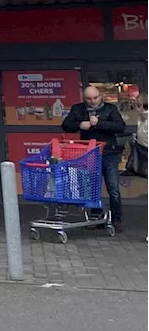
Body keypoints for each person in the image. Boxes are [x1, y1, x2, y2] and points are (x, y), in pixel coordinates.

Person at [61, 84, 128, 233]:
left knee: (113, 188)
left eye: (95, 98)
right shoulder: (78, 109)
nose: (93, 101)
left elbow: (120, 127)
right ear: (84, 98)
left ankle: (116, 219)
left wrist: (100, 124)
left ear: (100, 96)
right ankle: (95, 218)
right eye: (89, 99)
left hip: (109, 153)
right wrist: (80, 125)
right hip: (90, 154)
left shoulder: (110, 109)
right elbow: (66, 125)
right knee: (92, 187)